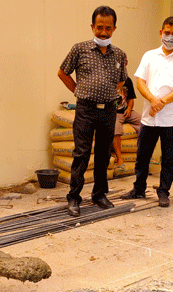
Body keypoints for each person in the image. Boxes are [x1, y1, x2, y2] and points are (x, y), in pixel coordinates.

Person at [58, 6, 128, 217]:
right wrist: (78, 91)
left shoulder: (120, 54)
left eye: (108, 28)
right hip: (85, 110)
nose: (104, 33)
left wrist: (109, 93)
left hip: (108, 111)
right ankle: (74, 197)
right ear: (92, 27)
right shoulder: (80, 49)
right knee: (81, 153)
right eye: (99, 28)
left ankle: (99, 194)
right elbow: (62, 72)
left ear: (114, 28)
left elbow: (123, 79)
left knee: (103, 154)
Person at [121, 16, 173, 207]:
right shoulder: (149, 55)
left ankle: (163, 191)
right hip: (149, 118)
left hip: (172, 118)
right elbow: (140, 82)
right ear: (161, 32)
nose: (170, 37)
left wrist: (161, 102)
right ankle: (138, 189)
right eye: (167, 33)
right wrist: (153, 100)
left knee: (168, 158)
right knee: (142, 156)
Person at [113, 76, 141, 168]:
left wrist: (129, 109)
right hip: (114, 113)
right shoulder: (108, 78)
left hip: (126, 112)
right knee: (116, 127)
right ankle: (119, 158)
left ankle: (146, 154)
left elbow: (131, 99)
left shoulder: (128, 80)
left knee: (145, 123)